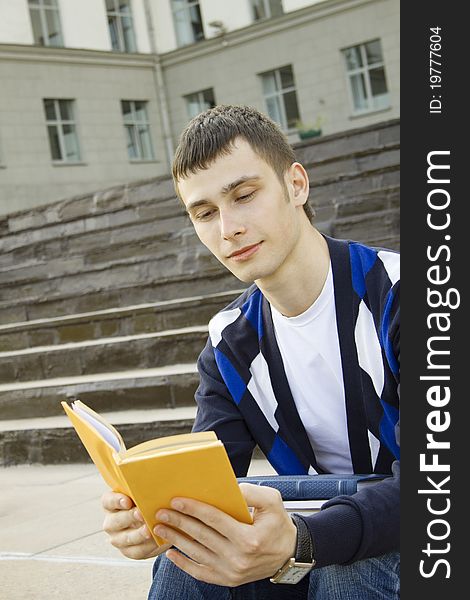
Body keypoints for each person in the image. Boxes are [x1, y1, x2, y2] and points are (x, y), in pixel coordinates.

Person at [101, 105, 400, 599]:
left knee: (351, 556)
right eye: (205, 213)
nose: (228, 227)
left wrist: (305, 540)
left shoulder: (408, 296)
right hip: (327, 523)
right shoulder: (230, 342)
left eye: (243, 195)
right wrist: (155, 518)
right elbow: (210, 479)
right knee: (190, 556)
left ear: (296, 185)